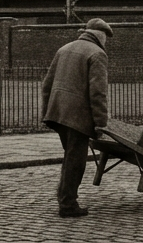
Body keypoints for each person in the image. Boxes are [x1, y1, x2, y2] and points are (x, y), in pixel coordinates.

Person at [40, 17, 112, 218]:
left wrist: (47, 112)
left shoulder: (64, 48)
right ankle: (68, 204)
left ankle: (65, 198)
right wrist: (100, 124)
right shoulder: (97, 54)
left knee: (70, 156)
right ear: (100, 36)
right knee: (76, 161)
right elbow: (98, 93)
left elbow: (46, 85)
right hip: (77, 117)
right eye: (106, 37)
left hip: (58, 113)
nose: (106, 42)